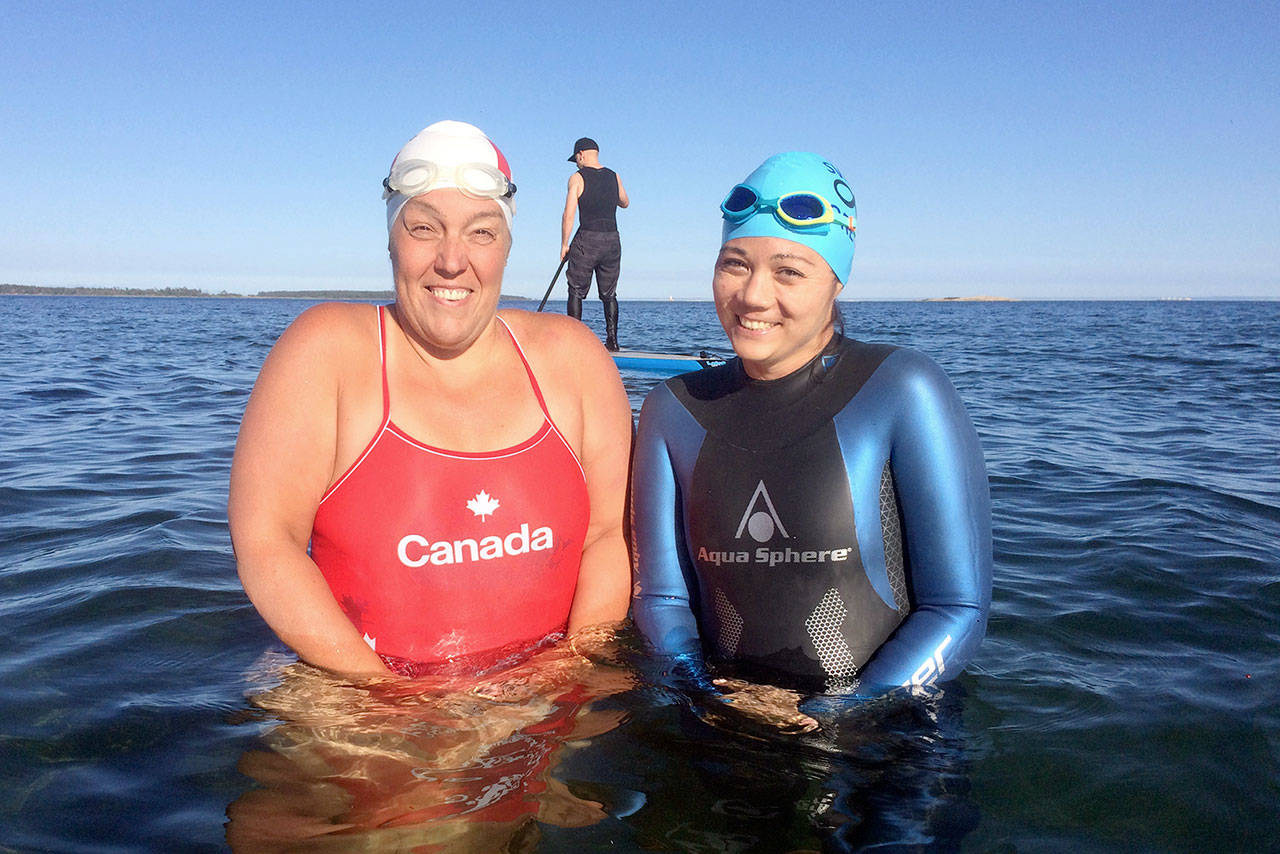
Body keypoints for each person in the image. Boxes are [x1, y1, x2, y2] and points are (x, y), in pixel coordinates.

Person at [228, 120, 633, 679]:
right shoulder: (327, 353)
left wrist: (568, 680)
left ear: (508, 245)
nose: (451, 259)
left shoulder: (575, 360)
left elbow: (608, 538)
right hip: (355, 704)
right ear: (391, 238)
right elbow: (266, 542)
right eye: (423, 228)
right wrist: (382, 700)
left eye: (482, 233)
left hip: (543, 704)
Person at [630, 151, 992, 702]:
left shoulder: (901, 389)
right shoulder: (672, 409)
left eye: (789, 271)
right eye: (734, 263)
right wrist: (708, 696)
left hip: (885, 745)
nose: (753, 295)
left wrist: (843, 715)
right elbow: (662, 599)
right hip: (715, 726)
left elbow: (958, 609)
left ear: (836, 281)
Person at [561, 136, 629, 351]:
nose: (577, 163)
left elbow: (568, 214)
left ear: (581, 155)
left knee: (576, 290)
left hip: (587, 239)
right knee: (609, 294)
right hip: (612, 240)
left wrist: (564, 244)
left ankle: (574, 341)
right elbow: (625, 202)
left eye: (577, 159)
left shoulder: (577, 178)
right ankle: (613, 340)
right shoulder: (614, 176)